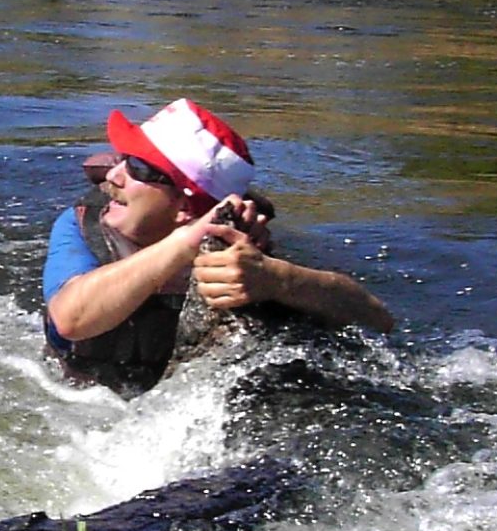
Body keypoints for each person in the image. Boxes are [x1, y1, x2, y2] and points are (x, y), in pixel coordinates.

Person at [42, 98, 393, 392]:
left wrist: (277, 279)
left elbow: (377, 319)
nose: (113, 176)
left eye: (138, 168)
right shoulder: (82, 226)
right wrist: (185, 243)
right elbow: (71, 319)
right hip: (72, 398)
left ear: (184, 208)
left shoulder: (241, 256)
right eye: (122, 159)